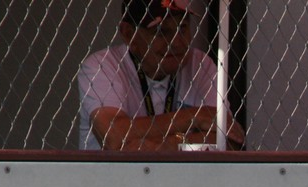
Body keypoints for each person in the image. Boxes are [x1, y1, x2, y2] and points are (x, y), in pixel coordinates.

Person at [77, 0, 244, 151]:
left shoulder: (200, 63)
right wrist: (195, 116)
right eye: (161, 31)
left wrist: (163, 146)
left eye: (182, 28)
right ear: (129, 34)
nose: (177, 42)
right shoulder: (102, 65)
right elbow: (114, 138)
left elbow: (230, 139)